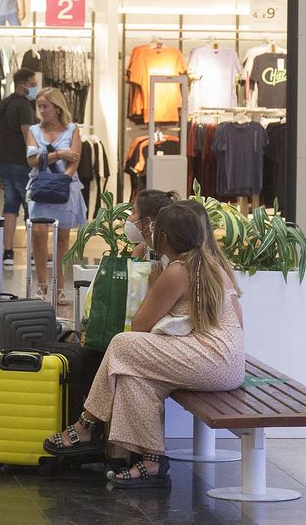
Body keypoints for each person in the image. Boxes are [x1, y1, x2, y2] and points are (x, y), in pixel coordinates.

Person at [41, 201, 244, 487]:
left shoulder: (178, 270)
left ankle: (87, 424)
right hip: (227, 361)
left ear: (162, 237)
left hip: (213, 360)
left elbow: (140, 326)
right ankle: (152, 461)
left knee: (123, 344)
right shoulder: (211, 265)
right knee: (135, 378)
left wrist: (153, 282)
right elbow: (237, 323)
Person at [26, 86, 85, 305]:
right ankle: (42, 285)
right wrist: (59, 153)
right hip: (40, 187)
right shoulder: (34, 130)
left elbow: (75, 159)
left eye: (46, 106)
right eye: (39, 106)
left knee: (62, 239)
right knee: (39, 234)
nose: (42, 110)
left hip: (65, 187)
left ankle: (60, 288)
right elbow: (32, 160)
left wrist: (63, 179)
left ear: (57, 107)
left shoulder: (72, 129)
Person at [0, 68, 40, 267]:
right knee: (30, 208)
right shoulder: (24, 107)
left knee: (10, 207)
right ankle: (33, 253)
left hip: (5, 162)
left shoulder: (3, 103)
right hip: (23, 164)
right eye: (33, 83)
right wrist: (35, 158)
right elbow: (27, 135)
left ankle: (8, 252)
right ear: (23, 85)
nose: (35, 87)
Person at [124, 189, 177, 259]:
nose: (128, 218)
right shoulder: (143, 248)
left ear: (147, 222)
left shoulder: (172, 259)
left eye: (133, 212)